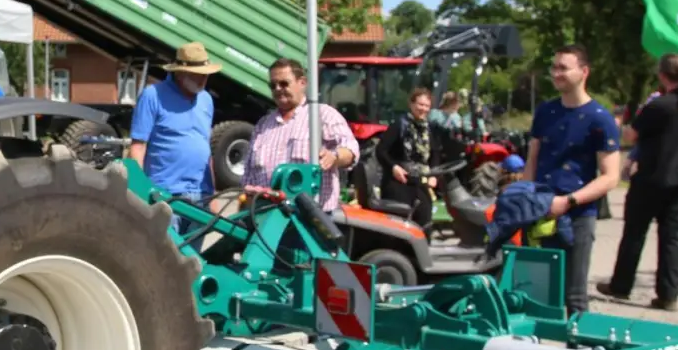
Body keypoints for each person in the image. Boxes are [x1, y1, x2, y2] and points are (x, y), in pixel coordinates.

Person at [522, 44, 622, 316]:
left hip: (577, 216)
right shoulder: (545, 112)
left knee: (574, 296)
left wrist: (568, 201)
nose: (556, 73)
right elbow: (533, 158)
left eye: (563, 68)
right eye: (554, 67)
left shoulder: (600, 119)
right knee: (535, 295)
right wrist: (526, 197)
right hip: (540, 212)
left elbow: (611, 176)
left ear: (584, 72)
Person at [599, 54, 678, 311]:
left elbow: (633, 134)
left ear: (661, 75)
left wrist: (619, 124)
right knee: (671, 237)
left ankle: (621, 285)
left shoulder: (658, 106)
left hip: (652, 175)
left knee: (634, 232)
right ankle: (668, 294)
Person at [239, 57, 359, 211]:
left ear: (302, 83)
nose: (277, 89)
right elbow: (248, 177)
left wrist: (334, 157)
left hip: (310, 218)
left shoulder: (322, 115)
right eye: (272, 85)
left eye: (283, 83)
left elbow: (351, 150)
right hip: (266, 217)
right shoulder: (263, 125)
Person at [128, 42, 219, 233]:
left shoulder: (206, 100)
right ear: (180, 73)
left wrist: (213, 195)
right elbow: (138, 146)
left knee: (193, 260)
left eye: (206, 73)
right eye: (198, 74)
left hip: (201, 195)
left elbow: (205, 147)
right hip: (166, 195)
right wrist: (139, 190)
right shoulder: (153, 96)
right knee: (163, 259)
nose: (204, 78)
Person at [374, 87, 443, 227]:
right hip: (398, 181)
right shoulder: (399, 124)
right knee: (401, 222)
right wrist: (394, 167)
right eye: (420, 104)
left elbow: (435, 153)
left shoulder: (429, 128)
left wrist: (434, 175)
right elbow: (381, 150)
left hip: (419, 181)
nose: (423, 109)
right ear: (411, 104)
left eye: (427, 106)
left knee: (425, 217)